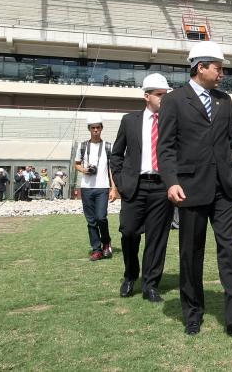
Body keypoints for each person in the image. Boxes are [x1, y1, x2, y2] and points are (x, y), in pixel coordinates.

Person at [158, 41, 232, 337]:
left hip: (227, 189)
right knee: (191, 253)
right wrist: (172, 181)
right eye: (218, 68)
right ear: (200, 67)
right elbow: (164, 148)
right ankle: (193, 312)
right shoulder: (174, 100)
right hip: (189, 188)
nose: (222, 73)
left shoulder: (224, 100)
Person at [110, 73, 173, 303]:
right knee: (128, 232)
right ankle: (130, 275)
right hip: (134, 186)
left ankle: (150, 284)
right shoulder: (129, 121)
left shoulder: (171, 122)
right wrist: (120, 180)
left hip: (161, 188)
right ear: (147, 96)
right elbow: (116, 154)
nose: (163, 99)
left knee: (157, 238)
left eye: (165, 95)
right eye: (159, 95)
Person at [75, 114, 115, 261]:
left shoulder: (108, 146)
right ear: (89, 129)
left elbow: (112, 169)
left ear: (102, 129)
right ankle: (96, 249)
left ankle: (106, 242)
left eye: (98, 127)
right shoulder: (83, 145)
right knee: (91, 220)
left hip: (102, 187)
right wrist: (84, 170)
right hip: (86, 187)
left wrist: (114, 188)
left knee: (101, 217)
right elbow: (76, 164)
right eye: (93, 128)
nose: (96, 130)